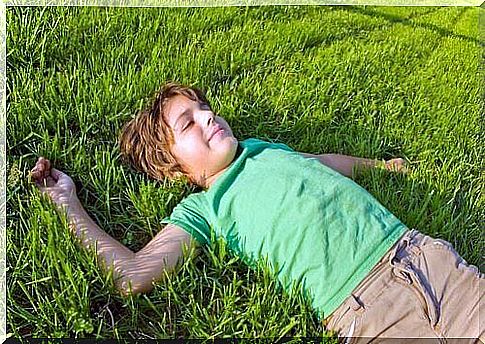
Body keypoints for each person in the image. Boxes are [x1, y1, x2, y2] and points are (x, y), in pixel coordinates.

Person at [30, 83, 483, 342]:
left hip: (422, 257)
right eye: (188, 122)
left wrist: (382, 166)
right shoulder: (204, 208)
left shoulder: (262, 149)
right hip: (364, 306)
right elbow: (133, 274)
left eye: (205, 108)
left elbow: (320, 162)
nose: (209, 117)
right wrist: (68, 203)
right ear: (172, 168)